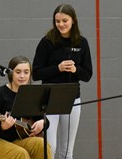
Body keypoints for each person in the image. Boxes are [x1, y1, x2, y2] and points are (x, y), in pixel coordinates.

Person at [32, 4, 93, 159]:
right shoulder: (47, 42)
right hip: (49, 98)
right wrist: (57, 68)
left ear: (73, 21)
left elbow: (87, 74)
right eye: (57, 21)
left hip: (72, 98)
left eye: (64, 20)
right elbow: (36, 73)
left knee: (66, 150)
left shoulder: (82, 42)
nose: (61, 24)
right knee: (49, 147)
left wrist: (75, 70)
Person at [0, 55, 52, 159]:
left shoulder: (30, 95)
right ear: (10, 73)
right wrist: (1, 127)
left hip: (15, 140)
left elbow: (44, 120)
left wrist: (43, 123)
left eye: (26, 72)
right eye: (18, 72)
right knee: (20, 154)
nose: (22, 76)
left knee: (42, 145)